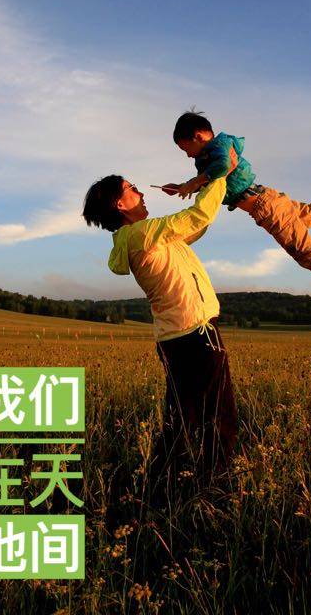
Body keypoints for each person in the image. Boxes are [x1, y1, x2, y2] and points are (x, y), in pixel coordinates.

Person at [82, 172, 238, 487]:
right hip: (196, 332)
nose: (141, 193)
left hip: (176, 337)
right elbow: (198, 216)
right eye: (132, 189)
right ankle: (218, 487)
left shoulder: (146, 236)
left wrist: (200, 186)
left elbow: (196, 226)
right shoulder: (143, 233)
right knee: (219, 415)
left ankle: (162, 486)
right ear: (119, 204)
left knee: (181, 419)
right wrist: (220, 174)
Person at [163, 110, 311, 302]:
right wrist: (183, 187)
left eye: (186, 149)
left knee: (301, 249)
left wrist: (194, 182)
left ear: (198, 136)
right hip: (269, 199)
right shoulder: (206, 158)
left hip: (266, 207)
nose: (188, 155)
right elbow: (212, 183)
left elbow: (223, 166)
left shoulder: (219, 147)